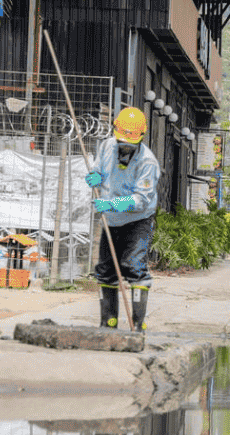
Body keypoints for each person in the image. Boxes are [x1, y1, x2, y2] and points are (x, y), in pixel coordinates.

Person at [85, 106, 161, 330]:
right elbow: (99, 170)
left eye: (129, 144)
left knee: (134, 268)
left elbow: (141, 200)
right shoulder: (108, 146)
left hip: (137, 222)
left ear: (140, 139)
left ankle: (138, 325)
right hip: (111, 221)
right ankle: (107, 322)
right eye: (121, 142)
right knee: (106, 270)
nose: (124, 147)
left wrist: (112, 204)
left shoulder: (148, 163)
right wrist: (95, 177)